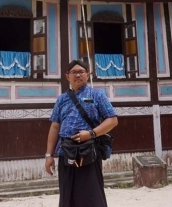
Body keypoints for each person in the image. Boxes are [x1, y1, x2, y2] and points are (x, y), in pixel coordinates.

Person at [45, 59, 118, 207]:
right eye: (74, 72)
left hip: (89, 151)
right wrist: (48, 155)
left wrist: (91, 134)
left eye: (81, 72)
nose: (77, 75)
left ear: (88, 74)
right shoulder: (62, 99)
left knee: (91, 194)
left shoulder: (97, 95)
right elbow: (54, 127)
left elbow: (112, 120)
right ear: (67, 76)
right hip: (66, 152)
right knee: (67, 193)